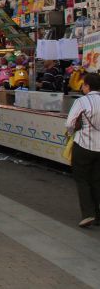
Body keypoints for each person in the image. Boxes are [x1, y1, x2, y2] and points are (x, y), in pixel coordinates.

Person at [65, 73, 100, 228]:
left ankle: (88, 214)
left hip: (83, 145)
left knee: (82, 179)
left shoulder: (82, 101)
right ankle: (98, 215)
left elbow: (70, 123)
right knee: (97, 180)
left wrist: (72, 133)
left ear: (87, 86)